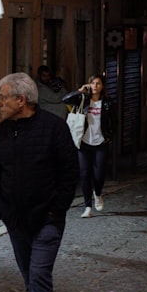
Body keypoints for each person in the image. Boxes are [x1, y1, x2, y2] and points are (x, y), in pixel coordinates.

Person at [0, 72, 79, 292]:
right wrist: (0, 208)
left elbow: (69, 173)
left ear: (21, 100)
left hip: (46, 221)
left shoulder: (53, 129)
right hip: (16, 222)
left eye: (4, 98)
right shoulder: (1, 132)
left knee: (39, 278)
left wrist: (55, 210)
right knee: (32, 281)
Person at [62, 74, 115, 218]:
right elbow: (65, 100)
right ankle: (87, 207)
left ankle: (97, 193)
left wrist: (109, 137)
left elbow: (113, 121)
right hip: (84, 142)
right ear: (89, 85)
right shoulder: (83, 100)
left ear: (102, 86)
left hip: (100, 142)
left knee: (99, 174)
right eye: (93, 83)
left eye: (98, 83)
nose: (95, 86)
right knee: (84, 175)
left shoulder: (107, 103)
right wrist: (79, 91)